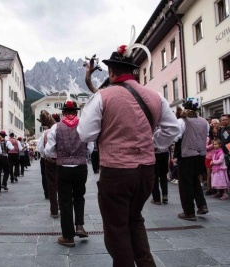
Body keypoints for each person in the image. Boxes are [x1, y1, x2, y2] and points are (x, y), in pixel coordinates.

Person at [77, 38, 180, 266]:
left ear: (111, 72)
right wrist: (153, 144)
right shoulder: (155, 96)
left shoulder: (103, 96)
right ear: (133, 71)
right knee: (135, 219)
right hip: (146, 172)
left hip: (116, 172)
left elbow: (85, 134)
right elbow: (174, 128)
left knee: (116, 228)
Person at [45, 99, 94, 247]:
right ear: (76, 112)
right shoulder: (84, 126)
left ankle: (68, 236)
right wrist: (80, 154)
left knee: (65, 201)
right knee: (79, 197)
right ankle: (79, 225)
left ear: (64, 113)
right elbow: (90, 148)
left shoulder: (56, 127)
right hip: (80, 167)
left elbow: (49, 150)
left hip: (63, 167)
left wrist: (60, 153)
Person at [175, 100, 210, 221]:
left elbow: (176, 137)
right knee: (195, 181)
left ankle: (189, 212)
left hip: (187, 155)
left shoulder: (182, 121)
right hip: (200, 154)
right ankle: (202, 205)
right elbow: (206, 135)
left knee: (185, 184)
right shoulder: (204, 121)